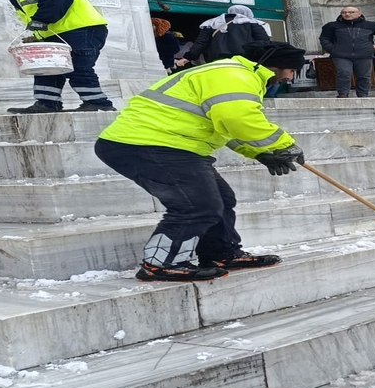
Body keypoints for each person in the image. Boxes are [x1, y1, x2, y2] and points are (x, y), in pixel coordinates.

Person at [94, 41, 309, 281]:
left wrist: (259, 153)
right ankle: (161, 264)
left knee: (222, 199)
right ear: (278, 66)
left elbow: (224, 126)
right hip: (147, 143)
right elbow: (236, 117)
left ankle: (220, 253)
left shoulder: (235, 73)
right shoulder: (234, 74)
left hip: (169, 144)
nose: (290, 78)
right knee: (196, 206)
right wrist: (283, 145)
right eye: (292, 71)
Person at [319, 6, 375, 98]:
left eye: (351, 12)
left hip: (364, 54)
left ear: (359, 13)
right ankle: (343, 93)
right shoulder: (331, 26)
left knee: (364, 75)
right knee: (343, 73)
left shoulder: (371, 25)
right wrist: (332, 49)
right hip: (341, 55)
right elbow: (324, 39)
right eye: (344, 12)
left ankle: (363, 94)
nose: (347, 14)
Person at [177, 5, 270, 68]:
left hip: (218, 61)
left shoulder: (212, 23)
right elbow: (264, 42)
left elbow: (201, 42)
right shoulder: (252, 23)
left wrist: (187, 57)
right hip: (244, 60)